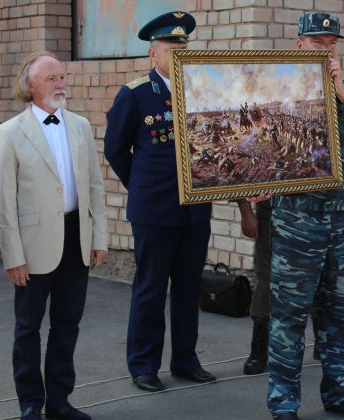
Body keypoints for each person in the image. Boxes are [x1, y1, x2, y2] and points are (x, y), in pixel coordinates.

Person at [266, 12, 344, 420]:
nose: (326, 48)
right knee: (289, 315)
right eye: (317, 42)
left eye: (331, 43)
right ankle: (283, 403)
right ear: (299, 45)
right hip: (297, 220)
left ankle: (338, 394)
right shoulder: (278, 92)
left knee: (342, 313)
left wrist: (340, 93)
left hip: (343, 221)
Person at [0, 50, 108, 420]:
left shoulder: (80, 126)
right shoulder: (10, 133)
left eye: (62, 77)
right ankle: (30, 403)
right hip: (33, 245)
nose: (60, 84)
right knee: (27, 329)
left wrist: (99, 237)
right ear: (30, 85)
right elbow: (4, 201)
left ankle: (59, 402)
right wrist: (13, 256)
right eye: (51, 78)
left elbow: (95, 187)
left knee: (66, 326)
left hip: (76, 238)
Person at [103, 11, 215, 392]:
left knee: (188, 288)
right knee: (151, 289)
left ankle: (185, 359)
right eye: (171, 47)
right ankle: (143, 366)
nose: (179, 52)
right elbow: (116, 149)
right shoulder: (135, 94)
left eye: (183, 46)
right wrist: (142, 186)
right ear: (153, 53)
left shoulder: (200, 89)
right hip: (154, 210)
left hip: (195, 211)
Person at [237, 200, 344, 376]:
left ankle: (324, 343)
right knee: (268, 279)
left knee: (322, 276)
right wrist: (245, 212)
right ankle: (259, 351)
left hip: (317, 209)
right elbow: (238, 181)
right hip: (275, 211)